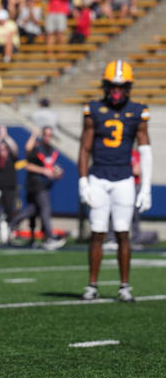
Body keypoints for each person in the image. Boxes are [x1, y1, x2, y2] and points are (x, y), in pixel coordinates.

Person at [78, 60, 151, 302]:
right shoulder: (94, 109)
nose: (116, 91)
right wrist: (83, 180)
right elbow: (85, 148)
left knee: (123, 233)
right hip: (99, 177)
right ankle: (92, 284)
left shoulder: (139, 111)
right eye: (113, 86)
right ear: (105, 86)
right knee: (97, 233)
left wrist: (146, 186)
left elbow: (146, 149)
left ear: (129, 87)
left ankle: (124, 285)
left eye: (121, 86)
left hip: (124, 179)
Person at [8, 127, 65, 249]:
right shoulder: (37, 148)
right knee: (45, 208)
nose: (47, 137)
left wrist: (56, 173)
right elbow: (28, 163)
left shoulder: (51, 149)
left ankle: (12, 224)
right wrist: (34, 135)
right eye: (46, 135)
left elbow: (51, 167)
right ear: (42, 135)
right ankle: (49, 237)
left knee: (32, 210)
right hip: (36, 184)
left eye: (50, 135)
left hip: (45, 185)